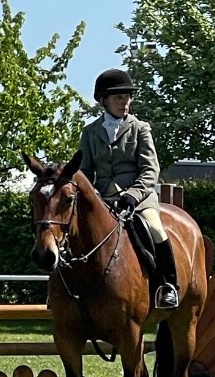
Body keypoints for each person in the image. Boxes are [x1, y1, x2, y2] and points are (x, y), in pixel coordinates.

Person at [79, 68, 179, 308]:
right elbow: (84, 172)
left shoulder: (140, 128)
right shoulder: (90, 132)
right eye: (119, 98)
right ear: (104, 101)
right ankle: (64, 289)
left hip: (138, 199)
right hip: (102, 198)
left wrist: (133, 196)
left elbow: (149, 170)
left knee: (156, 230)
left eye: (127, 97)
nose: (125, 102)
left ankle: (168, 285)